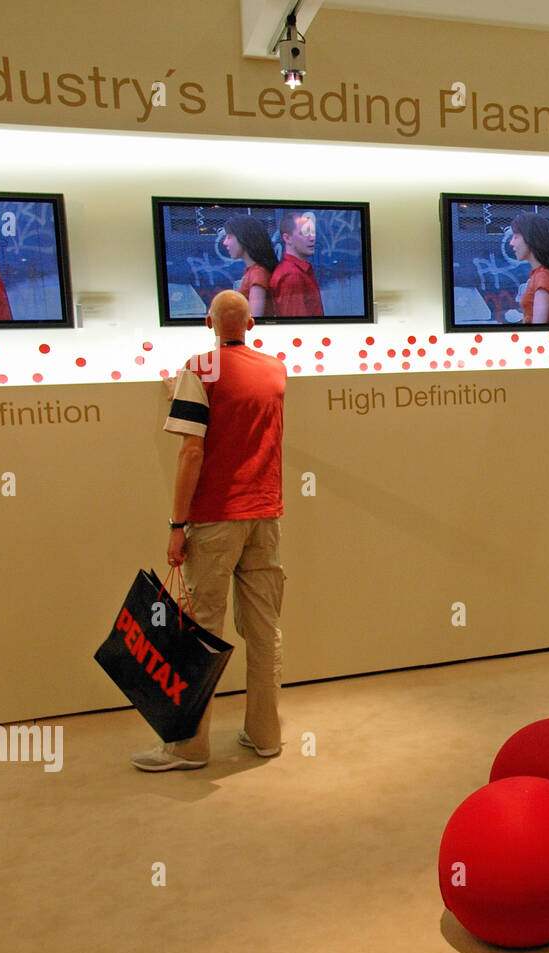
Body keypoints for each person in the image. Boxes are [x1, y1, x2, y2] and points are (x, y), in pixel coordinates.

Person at [132, 290, 286, 771]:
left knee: (199, 631)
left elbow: (192, 451)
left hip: (217, 518)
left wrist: (178, 524)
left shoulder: (199, 367)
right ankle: (265, 735)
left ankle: (188, 746)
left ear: (208, 322)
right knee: (264, 630)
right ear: (253, 324)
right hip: (265, 515)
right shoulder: (275, 368)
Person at [509, 212, 549, 325]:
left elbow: (539, 328)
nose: (511, 243)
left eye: (516, 237)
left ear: (531, 238)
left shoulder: (543, 277)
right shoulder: (540, 274)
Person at [270, 210, 323, 317]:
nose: (312, 238)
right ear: (287, 238)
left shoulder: (297, 270)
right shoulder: (291, 276)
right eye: (304, 233)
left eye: (312, 232)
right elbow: (297, 325)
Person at [223, 214, 278, 318]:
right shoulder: (253, 271)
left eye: (229, 237)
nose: (225, 242)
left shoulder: (258, 273)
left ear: (243, 238)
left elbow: (254, 318)